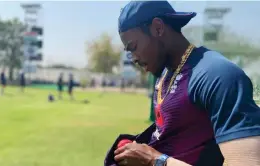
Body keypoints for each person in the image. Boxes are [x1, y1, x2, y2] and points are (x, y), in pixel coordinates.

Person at [106, 1, 260, 166]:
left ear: (158, 28)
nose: (134, 58)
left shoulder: (217, 75)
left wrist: (156, 160)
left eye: (133, 47)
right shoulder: (165, 73)